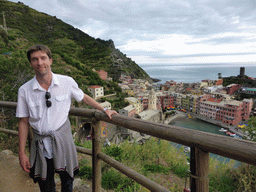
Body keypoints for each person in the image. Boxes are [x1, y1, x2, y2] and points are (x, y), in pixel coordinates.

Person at [16, 44, 118, 192]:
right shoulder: (24, 90)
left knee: (67, 182)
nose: (40, 62)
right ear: (31, 63)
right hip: (40, 145)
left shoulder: (67, 82)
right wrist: (21, 153)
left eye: (43, 58)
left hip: (63, 142)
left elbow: (83, 97)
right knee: (45, 186)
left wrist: (104, 109)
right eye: (35, 59)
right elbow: (23, 122)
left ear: (50, 60)